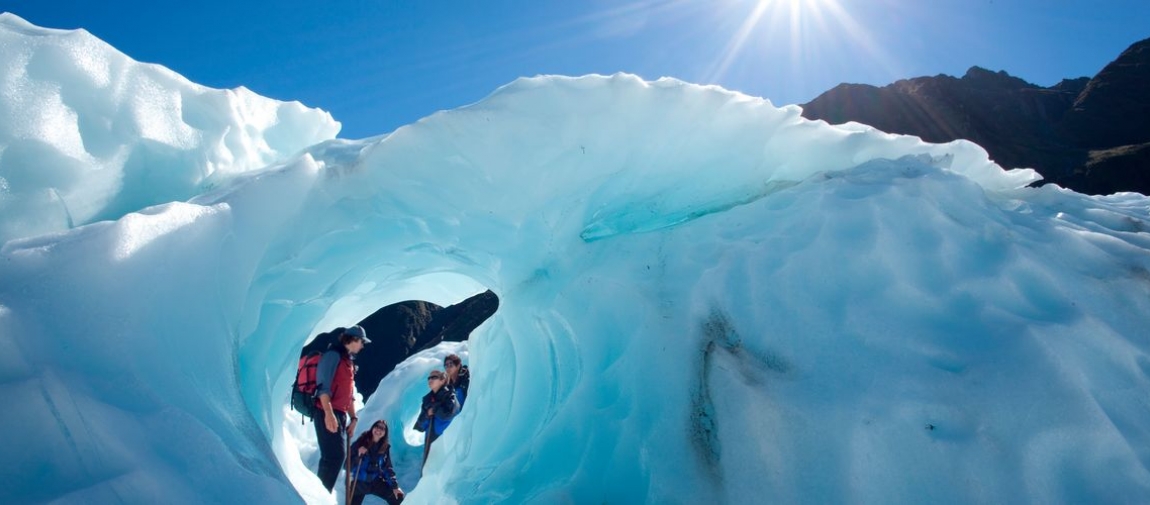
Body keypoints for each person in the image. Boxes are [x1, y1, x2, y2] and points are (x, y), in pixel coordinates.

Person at [313, 325, 371, 492]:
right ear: (352, 340)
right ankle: (320, 496)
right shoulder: (332, 356)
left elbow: (349, 394)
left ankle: (318, 495)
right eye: (361, 342)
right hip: (326, 412)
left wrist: (353, 418)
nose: (362, 345)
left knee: (330, 457)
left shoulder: (347, 361)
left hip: (339, 414)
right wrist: (328, 414)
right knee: (335, 456)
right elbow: (322, 388)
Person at [349, 420, 404, 505]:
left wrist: (395, 486)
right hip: (358, 483)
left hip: (375, 482)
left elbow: (387, 468)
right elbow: (347, 465)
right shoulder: (361, 442)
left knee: (397, 498)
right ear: (372, 428)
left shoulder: (384, 448)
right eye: (377, 426)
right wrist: (357, 455)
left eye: (382, 428)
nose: (379, 430)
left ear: (385, 433)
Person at [413, 369, 459, 468]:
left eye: (434, 377)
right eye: (429, 378)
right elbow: (420, 426)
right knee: (428, 469)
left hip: (446, 440)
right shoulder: (427, 400)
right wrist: (427, 414)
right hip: (431, 439)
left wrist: (435, 408)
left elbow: (449, 414)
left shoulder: (450, 396)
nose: (430, 380)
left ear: (442, 380)